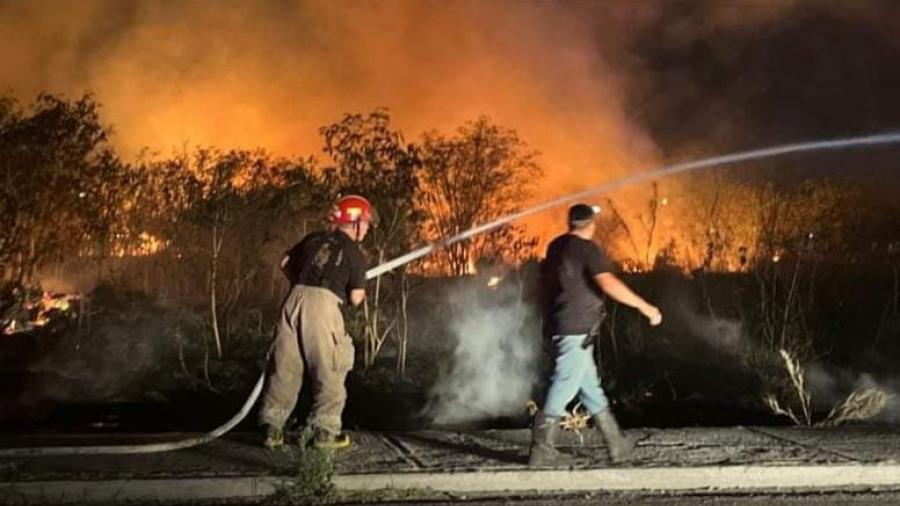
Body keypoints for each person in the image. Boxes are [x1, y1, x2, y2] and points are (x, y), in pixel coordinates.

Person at [530, 203, 662, 467]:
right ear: (591, 224)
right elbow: (608, 282)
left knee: (590, 388)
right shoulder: (587, 249)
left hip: (565, 325)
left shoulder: (557, 246)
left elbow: (545, 285)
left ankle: (617, 444)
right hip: (575, 330)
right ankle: (541, 449)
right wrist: (644, 307)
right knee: (565, 383)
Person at [258, 194, 373, 450]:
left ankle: (272, 429)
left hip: (293, 301)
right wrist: (358, 287)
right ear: (354, 223)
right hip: (323, 307)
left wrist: (301, 282)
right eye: (364, 223)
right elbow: (355, 299)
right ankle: (325, 432)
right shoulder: (354, 252)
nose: (366, 228)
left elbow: (285, 262)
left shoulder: (313, 239)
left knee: (285, 365)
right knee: (330, 365)